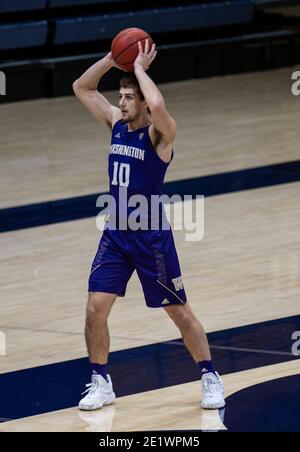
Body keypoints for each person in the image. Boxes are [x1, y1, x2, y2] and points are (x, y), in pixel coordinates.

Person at [73, 40, 225, 411]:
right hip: (115, 235)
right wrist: (112, 59)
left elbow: (158, 106)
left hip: (151, 238)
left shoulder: (159, 137)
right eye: (121, 95)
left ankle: (209, 376)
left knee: (178, 311)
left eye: (128, 97)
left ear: (142, 102)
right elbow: (82, 87)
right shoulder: (115, 124)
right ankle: (100, 380)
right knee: (95, 308)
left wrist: (140, 69)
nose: (121, 102)